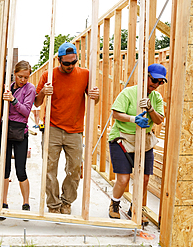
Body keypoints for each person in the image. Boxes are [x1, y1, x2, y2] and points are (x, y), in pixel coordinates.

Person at [34, 42, 100, 214]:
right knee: (50, 170)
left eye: (74, 62)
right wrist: (44, 92)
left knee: (75, 169)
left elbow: (94, 100)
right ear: (58, 60)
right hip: (52, 128)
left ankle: (66, 202)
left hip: (75, 129)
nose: (71, 66)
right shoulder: (48, 75)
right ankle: (53, 205)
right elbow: (36, 102)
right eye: (67, 63)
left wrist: (96, 96)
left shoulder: (85, 74)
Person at [108, 63, 166, 226]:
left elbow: (159, 119)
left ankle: (136, 207)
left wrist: (150, 108)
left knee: (145, 179)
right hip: (122, 139)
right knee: (123, 178)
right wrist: (134, 119)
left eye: (159, 83)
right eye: (154, 80)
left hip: (144, 140)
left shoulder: (156, 98)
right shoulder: (129, 93)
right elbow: (115, 114)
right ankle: (115, 203)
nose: (155, 85)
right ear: (145, 76)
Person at [0, 60, 35, 221]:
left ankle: (26, 203)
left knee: (21, 169)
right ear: (14, 74)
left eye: (26, 77)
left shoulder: (30, 89)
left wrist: (13, 100)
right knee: (5, 169)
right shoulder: (8, 87)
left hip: (20, 132)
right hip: (5, 129)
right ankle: (3, 202)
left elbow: (26, 111)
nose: (23, 80)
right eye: (20, 76)